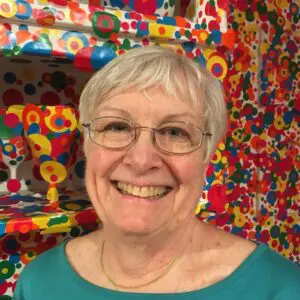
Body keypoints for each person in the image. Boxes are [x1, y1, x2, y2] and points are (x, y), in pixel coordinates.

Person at [13, 46, 299, 299]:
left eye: (175, 132)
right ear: (86, 144)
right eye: (117, 127)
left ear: (207, 155)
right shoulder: (39, 283)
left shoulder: (280, 289)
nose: (141, 159)